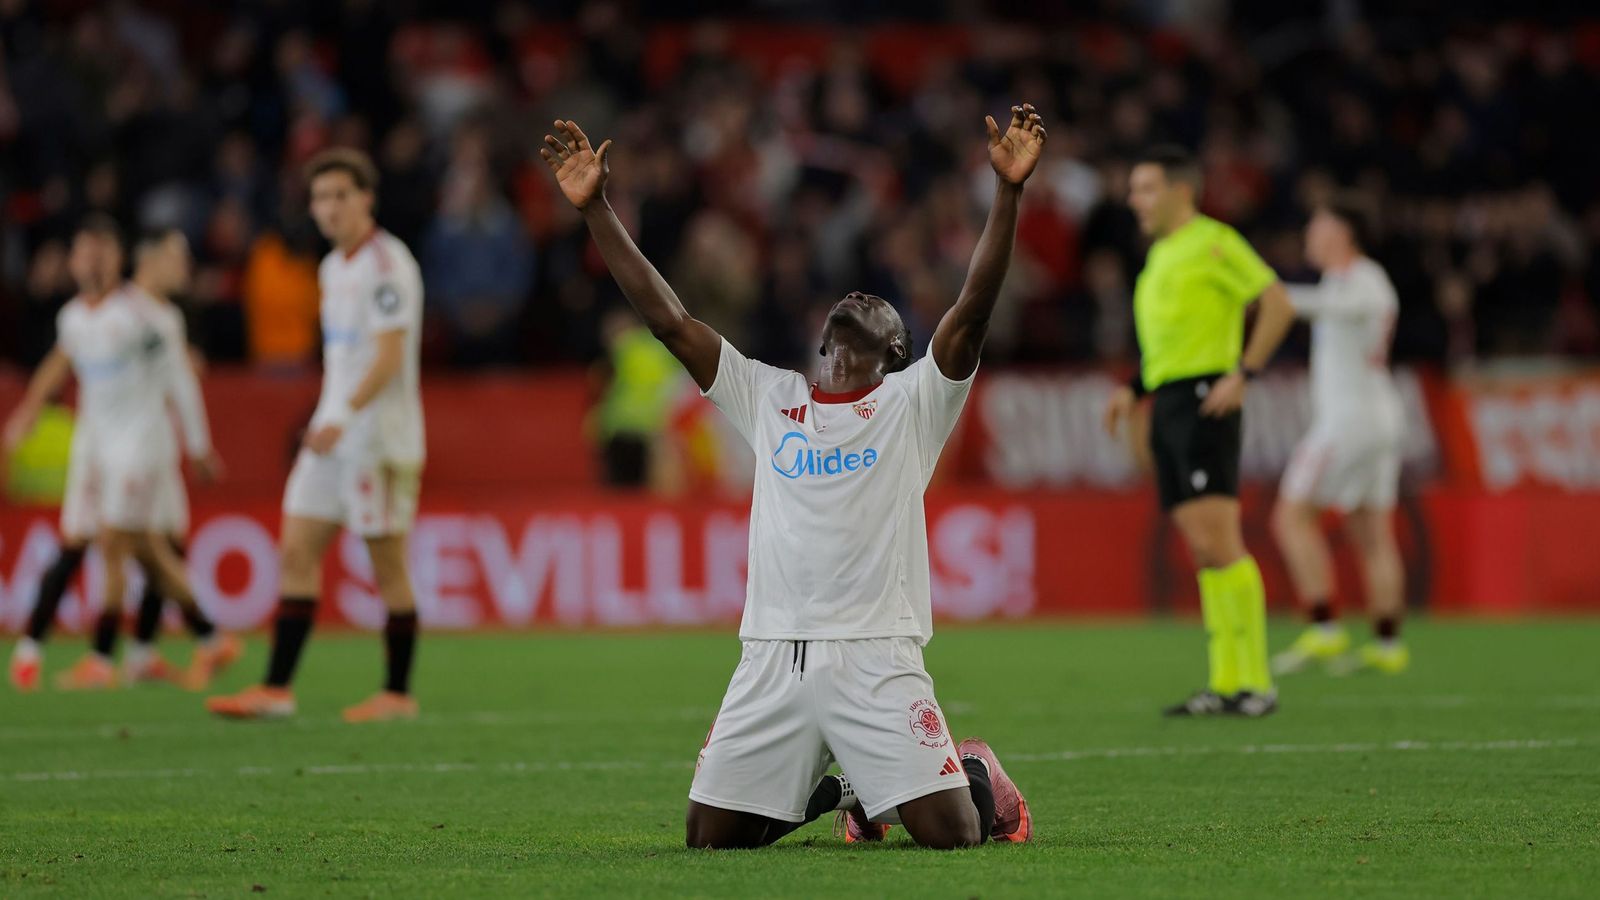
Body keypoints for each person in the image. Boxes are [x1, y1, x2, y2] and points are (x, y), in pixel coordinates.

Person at [541, 106, 1046, 850]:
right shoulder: (769, 396)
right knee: (710, 840)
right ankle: (852, 790)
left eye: (878, 307)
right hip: (771, 653)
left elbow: (972, 310)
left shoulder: (912, 403)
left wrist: (1006, 195)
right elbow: (670, 321)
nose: (860, 297)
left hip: (876, 654)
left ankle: (970, 769)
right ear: (821, 340)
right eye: (850, 301)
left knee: (955, 834)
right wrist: (597, 211)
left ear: (898, 350)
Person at [206, 148, 426, 723]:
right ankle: (277, 689)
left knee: (387, 567)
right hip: (331, 435)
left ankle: (397, 694)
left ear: (366, 199)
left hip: (376, 437)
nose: (329, 208)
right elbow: (346, 362)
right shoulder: (332, 267)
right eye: (320, 197)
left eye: (340, 195)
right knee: (295, 549)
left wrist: (342, 416)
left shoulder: (386, 265)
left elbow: (388, 357)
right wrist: (325, 416)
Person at [1103, 146, 1296, 718]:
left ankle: (1256, 682)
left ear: (1181, 191)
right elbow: (1168, 349)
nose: (1134, 200)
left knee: (1221, 543)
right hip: (1170, 403)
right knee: (1203, 551)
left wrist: (1245, 374)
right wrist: (1132, 390)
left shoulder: (1215, 241)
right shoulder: (1160, 256)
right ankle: (1226, 680)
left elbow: (1277, 303)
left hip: (1207, 399)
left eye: (1145, 188)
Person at [3, 215, 228, 691]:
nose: (93, 260)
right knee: (130, 546)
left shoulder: (145, 315)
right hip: (95, 446)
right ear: (72, 260)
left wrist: (198, 445)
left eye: (102, 250)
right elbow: (57, 364)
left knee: (117, 544)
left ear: (119, 258)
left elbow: (180, 381)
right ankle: (206, 638)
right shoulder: (75, 316)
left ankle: (103, 659)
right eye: (84, 251)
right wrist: (26, 413)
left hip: (139, 445)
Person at [1270, 200, 1409, 676]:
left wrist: (1260, 290)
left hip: (1351, 421)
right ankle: (1388, 645)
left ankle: (1325, 629)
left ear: (1343, 233)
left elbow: (1323, 306)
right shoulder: (1342, 280)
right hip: (1377, 417)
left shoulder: (1364, 281)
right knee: (1372, 533)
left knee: (1290, 518)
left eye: (1319, 224)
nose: (1310, 232)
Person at [122, 228, 240, 688]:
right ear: (150, 259)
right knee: (149, 544)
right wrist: (199, 447)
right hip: (135, 447)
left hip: (149, 446)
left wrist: (197, 446)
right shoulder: (125, 313)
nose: (184, 266)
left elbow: (182, 389)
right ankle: (168, 645)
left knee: (154, 544)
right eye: (177, 256)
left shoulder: (163, 318)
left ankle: (162, 646)